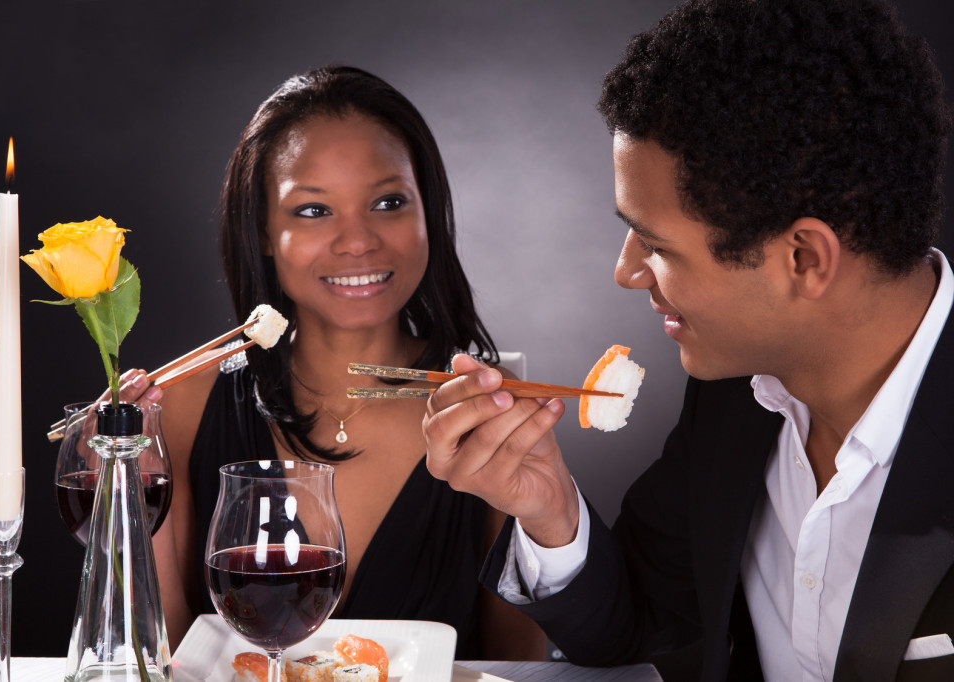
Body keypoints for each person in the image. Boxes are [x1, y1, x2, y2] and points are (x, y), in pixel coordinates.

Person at [421, 0, 953, 680]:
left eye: (657, 244)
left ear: (805, 259)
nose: (624, 271)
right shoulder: (734, 395)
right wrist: (550, 511)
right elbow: (639, 624)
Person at [119, 65, 545, 658]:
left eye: (389, 202)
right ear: (264, 230)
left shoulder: (494, 406)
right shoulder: (185, 403)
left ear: (430, 212)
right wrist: (128, 493)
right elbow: (165, 655)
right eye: (313, 211)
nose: (357, 241)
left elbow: (517, 668)